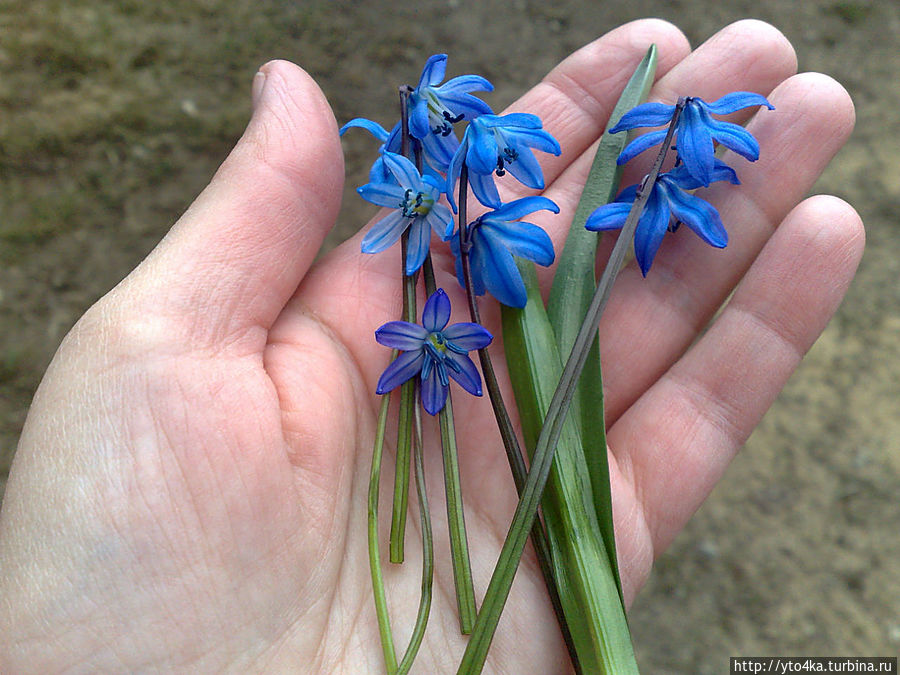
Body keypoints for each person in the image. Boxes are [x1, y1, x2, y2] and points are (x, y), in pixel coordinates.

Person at [0, 19, 863, 674]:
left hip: (468, 271)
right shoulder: (432, 225)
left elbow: (500, 225)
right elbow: (444, 238)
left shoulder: (483, 207)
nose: (474, 149)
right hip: (440, 310)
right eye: (454, 128)